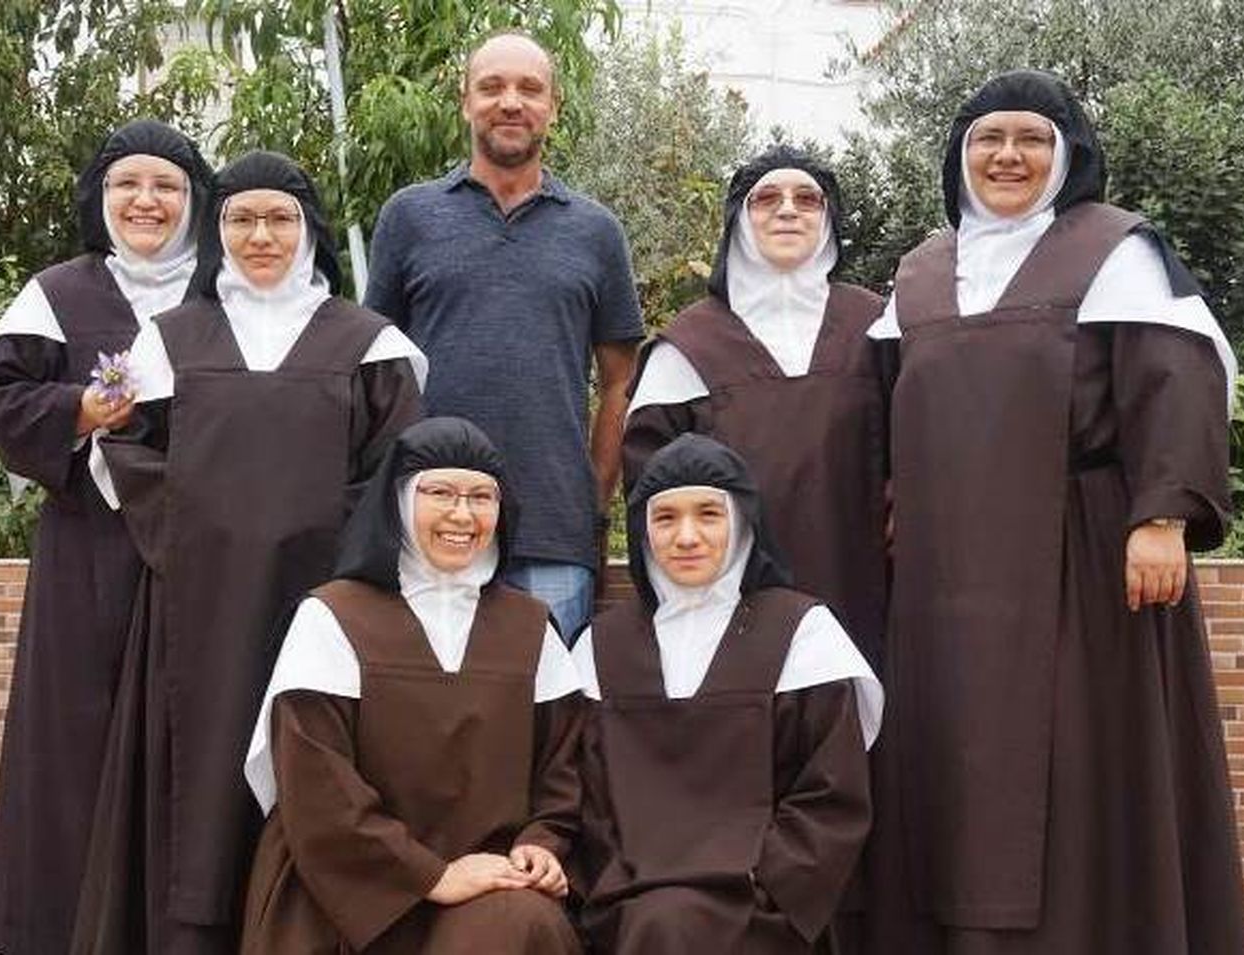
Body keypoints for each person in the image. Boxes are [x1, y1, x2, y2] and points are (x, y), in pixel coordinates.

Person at [862, 70, 1244, 953]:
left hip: (1078, 554)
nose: (1008, 156)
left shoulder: (1115, 252)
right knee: (951, 773)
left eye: (1031, 139)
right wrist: (892, 494)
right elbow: (883, 401)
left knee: (1078, 772)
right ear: (959, 158)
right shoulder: (922, 273)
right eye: (987, 140)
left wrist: (1162, 515)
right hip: (943, 579)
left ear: (1067, 154)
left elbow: (1175, 376)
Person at [71, 150, 426, 954]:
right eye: (240, 218)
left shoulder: (369, 342)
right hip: (196, 602)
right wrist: (200, 530)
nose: (260, 235)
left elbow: (395, 468)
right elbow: (119, 447)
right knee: (199, 780)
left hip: (327, 602)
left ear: (309, 232)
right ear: (217, 232)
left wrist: (327, 542)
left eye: (279, 218)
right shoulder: (166, 340)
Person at [0, 118, 213, 955]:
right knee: (70, 743)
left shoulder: (222, 294)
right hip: (87, 552)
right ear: (100, 198)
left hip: (195, 558)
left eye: (166, 187)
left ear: (194, 201)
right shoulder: (58, 293)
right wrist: (77, 409)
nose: (146, 201)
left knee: (183, 743)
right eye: (127, 185)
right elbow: (1, 398)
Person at [239, 416, 584, 954]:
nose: (462, 514)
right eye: (440, 492)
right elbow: (315, 786)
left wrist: (541, 845)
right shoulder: (332, 616)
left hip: (488, 884)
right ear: (397, 502)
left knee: (520, 925)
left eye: (481, 497)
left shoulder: (530, 627)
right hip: (347, 883)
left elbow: (564, 770)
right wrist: (431, 876)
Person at [364, 30, 644, 641]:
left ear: (553, 107)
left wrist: (593, 505)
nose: (510, 102)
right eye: (491, 87)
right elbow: (376, 373)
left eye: (529, 88)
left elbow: (622, 381)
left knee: (544, 726)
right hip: (429, 525)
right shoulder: (408, 217)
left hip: (552, 533)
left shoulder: (597, 233)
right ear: (465, 101)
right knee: (432, 723)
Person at [572, 433, 882, 953]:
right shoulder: (603, 646)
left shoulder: (803, 633)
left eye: (708, 515)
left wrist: (771, 891)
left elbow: (831, 795)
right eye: (665, 518)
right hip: (632, 900)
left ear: (742, 523)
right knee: (664, 924)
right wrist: (615, 888)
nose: (686, 536)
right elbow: (587, 800)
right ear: (642, 531)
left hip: (765, 904)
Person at [622, 145, 889, 669]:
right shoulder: (689, 344)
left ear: (828, 218)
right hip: (731, 598)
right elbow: (651, 485)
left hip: (864, 584)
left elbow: (921, 445)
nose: (787, 210)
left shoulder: (878, 325)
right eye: (766, 199)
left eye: (806, 199)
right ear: (739, 221)